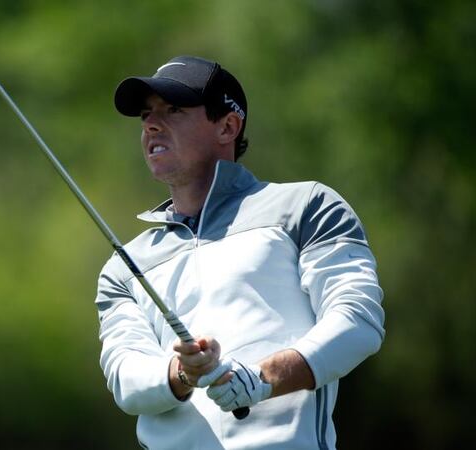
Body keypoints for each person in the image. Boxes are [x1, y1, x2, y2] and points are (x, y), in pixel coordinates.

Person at [95, 55, 385, 450]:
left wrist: (261, 380)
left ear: (227, 126)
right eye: (147, 114)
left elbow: (357, 322)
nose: (151, 124)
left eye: (174, 109)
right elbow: (125, 377)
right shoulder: (123, 267)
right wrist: (183, 373)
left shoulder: (306, 206)